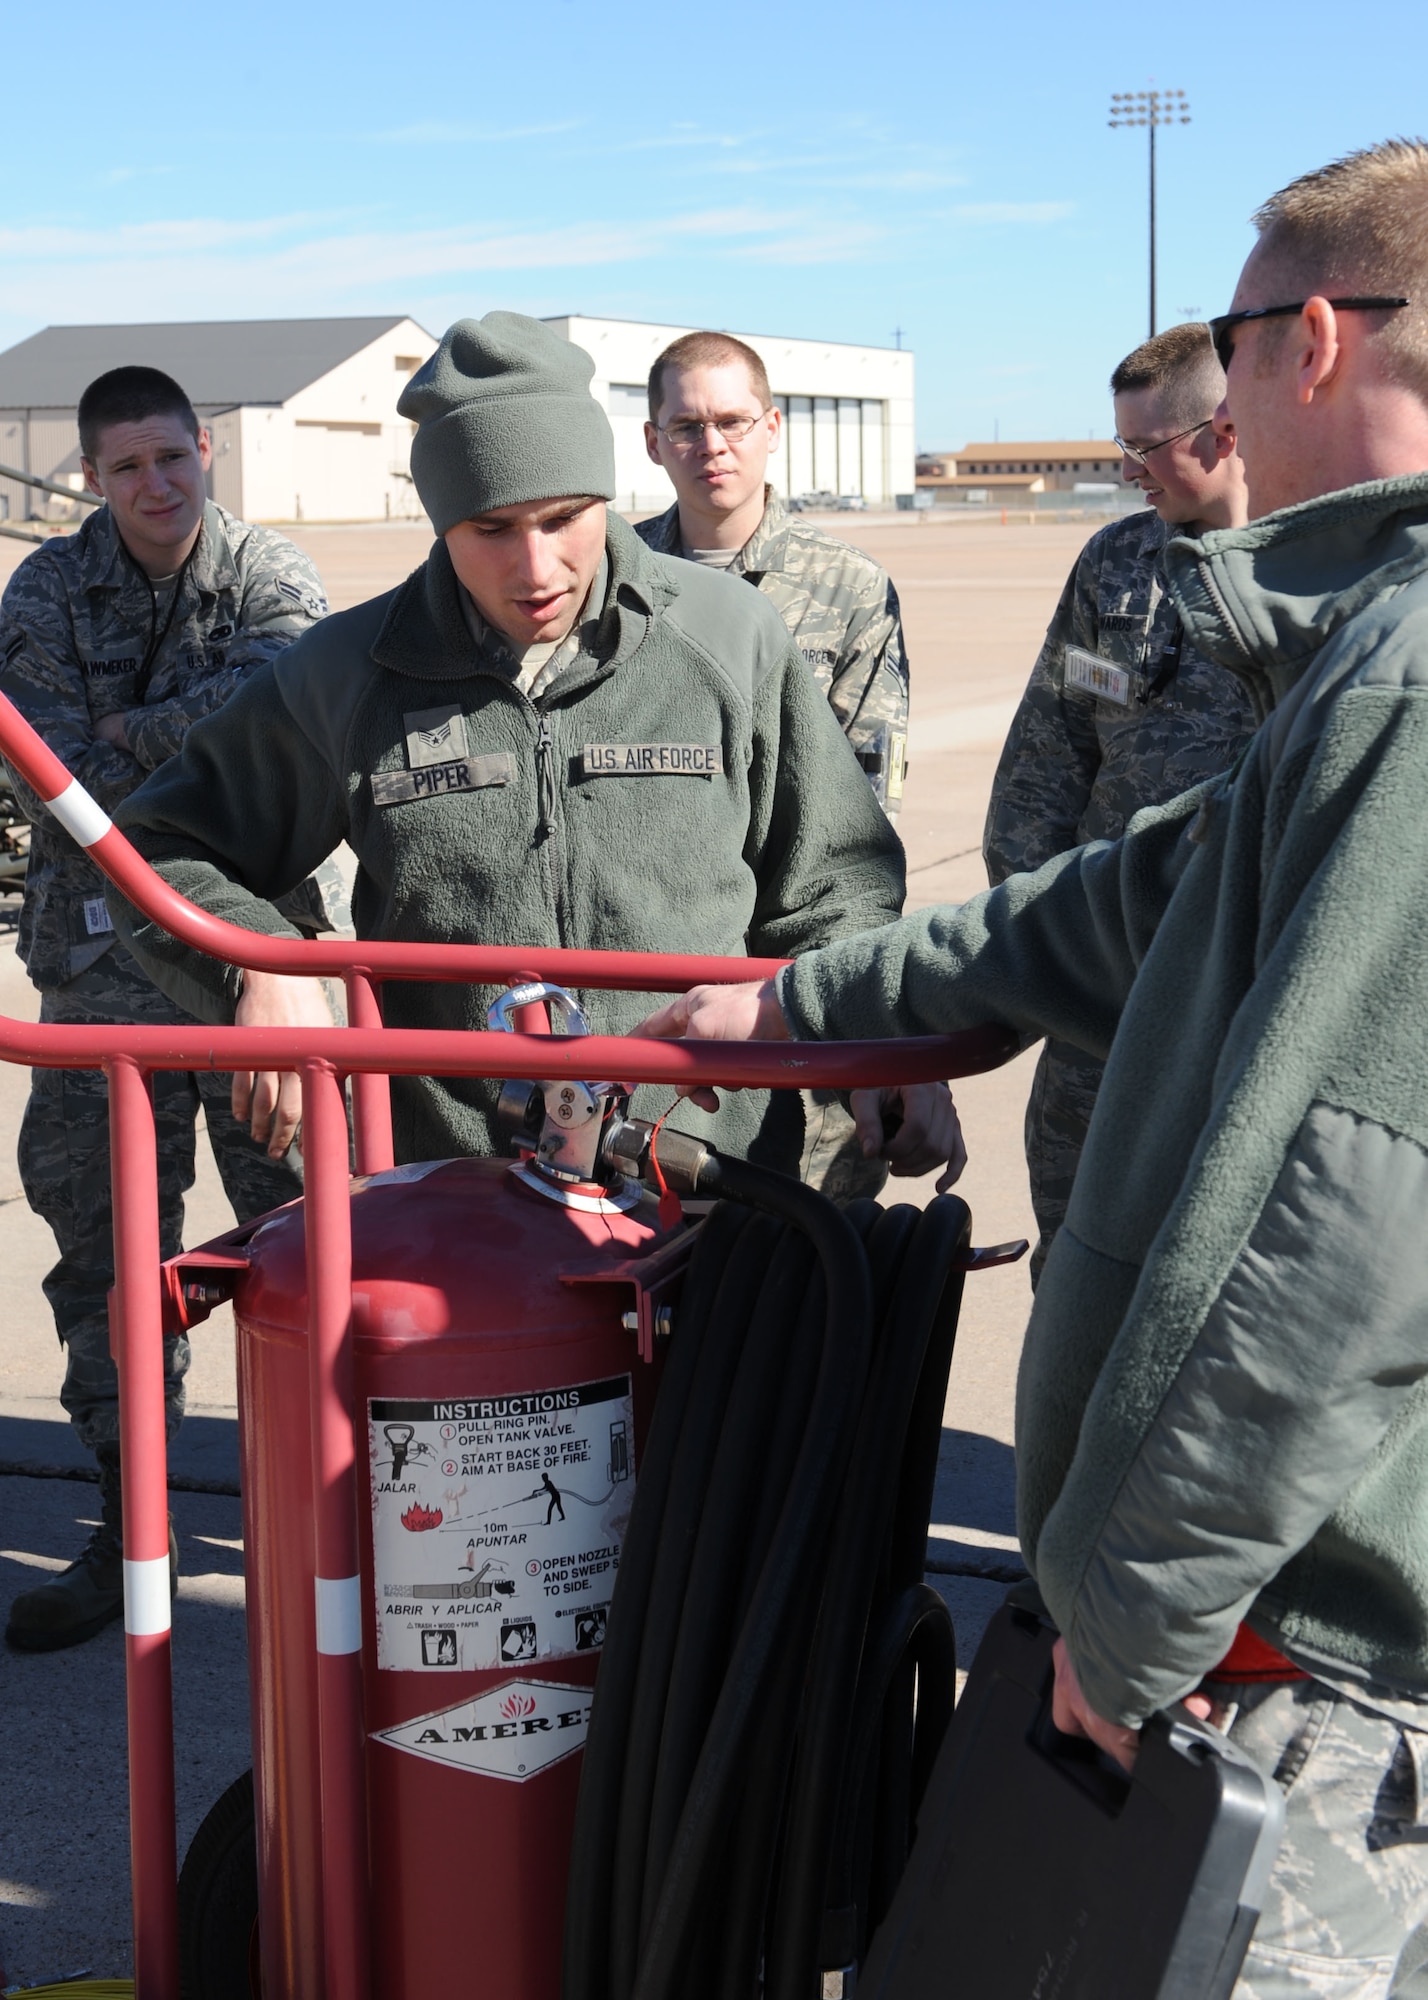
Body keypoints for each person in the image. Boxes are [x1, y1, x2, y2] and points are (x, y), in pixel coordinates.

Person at [639, 139, 1428, 1994]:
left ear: (1305, 340)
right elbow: (1132, 890)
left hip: (1300, 1652)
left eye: (1230, 350)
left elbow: (1342, 1221)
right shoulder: (1358, 652)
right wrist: (817, 1000)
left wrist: (1129, 1611)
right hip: (1261, 1612)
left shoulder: (1403, 681)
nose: (1213, 398)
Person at [104, 315, 959, 1209]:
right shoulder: (349, 672)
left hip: (714, 1188)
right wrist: (259, 963)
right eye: (492, 529)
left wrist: (875, 1032)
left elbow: (836, 884)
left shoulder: (727, 638)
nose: (537, 566)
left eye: (565, 518)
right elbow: (156, 848)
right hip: (461, 1205)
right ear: (439, 523)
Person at [1, 366, 332, 1654]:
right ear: (93, 476)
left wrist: (123, 731)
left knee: (304, 1246)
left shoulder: (274, 574)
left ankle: (330, 1509)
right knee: (107, 1263)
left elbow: (280, 720)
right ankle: (125, 1514)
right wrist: (169, 743)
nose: (154, 484)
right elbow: (48, 774)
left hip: (255, 974)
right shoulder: (42, 590)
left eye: (171, 457)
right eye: (125, 466)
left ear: (208, 450)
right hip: (96, 992)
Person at [984, 323, 1256, 1282]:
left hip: (1246, 1001)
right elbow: (1043, 767)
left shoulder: (1304, 576)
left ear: (1221, 432)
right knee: (1077, 1266)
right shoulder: (1116, 564)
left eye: (1145, 449)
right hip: (1107, 995)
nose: (1129, 470)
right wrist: (1038, 943)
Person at [638, 329, 913, 1197]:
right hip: (658, 968)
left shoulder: (848, 588)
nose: (710, 446)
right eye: (685, 426)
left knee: (805, 1250)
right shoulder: (617, 576)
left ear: (773, 427)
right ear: (652, 441)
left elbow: (865, 813)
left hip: (797, 974)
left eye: (731, 421)